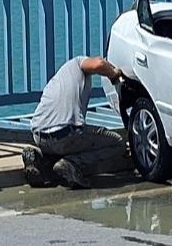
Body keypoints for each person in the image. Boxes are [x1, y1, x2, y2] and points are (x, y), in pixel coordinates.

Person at [22, 56, 130, 189]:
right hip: (66, 134)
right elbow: (99, 64)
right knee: (118, 143)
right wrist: (114, 74)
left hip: (39, 136)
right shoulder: (78, 63)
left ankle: (39, 158)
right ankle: (72, 163)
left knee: (61, 145)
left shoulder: (58, 80)